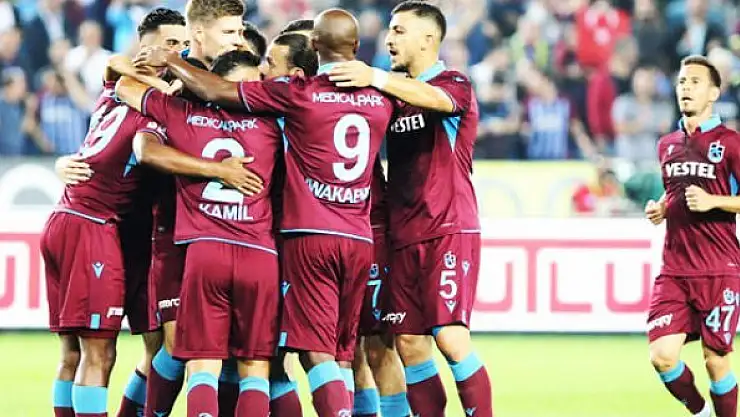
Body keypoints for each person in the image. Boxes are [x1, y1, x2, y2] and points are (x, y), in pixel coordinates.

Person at [133, 8, 395, 416]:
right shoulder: (365, 103)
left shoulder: (287, 99)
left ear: (313, 48)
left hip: (266, 242)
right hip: (316, 244)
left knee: (209, 362)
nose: (266, 75)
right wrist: (380, 77)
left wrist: (164, 62)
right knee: (306, 360)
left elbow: (141, 107)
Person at [327, 1, 493, 416]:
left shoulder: (454, 83)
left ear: (428, 38)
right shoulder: (390, 92)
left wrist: (376, 77)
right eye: (390, 30)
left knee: (450, 338)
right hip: (402, 235)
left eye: (399, 31)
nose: (389, 39)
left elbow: (436, 99)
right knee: (409, 343)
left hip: (448, 228)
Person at [115, 49, 281, 417]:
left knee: (202, 364)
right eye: (250, 84)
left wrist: (164, 69)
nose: (256, 90)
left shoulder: (184, 116)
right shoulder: (273, 123)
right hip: (259, 254)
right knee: (255, 367)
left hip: (206, 253)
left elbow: (124, 87)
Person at [646, 55, 740, 417]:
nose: (686, 87)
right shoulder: (667, 145)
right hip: (675, 269)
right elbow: (676, 191)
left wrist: (714, 201)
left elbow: (712, 195)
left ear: (713, 93)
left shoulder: (731, 143)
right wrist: (662, 207)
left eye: (695, 82)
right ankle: (701, 413)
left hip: (719, 268)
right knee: (662, 356)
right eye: (682, 82)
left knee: (715, 361)